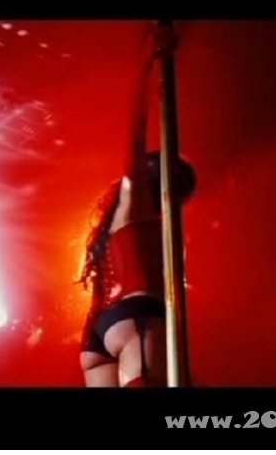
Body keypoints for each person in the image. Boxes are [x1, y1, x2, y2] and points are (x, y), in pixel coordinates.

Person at [77, 42, 196, 387]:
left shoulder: (121, 218)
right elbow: (134, 142)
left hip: (101, 332)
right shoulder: (137, 204)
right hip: (137, 316)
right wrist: (148, 70)